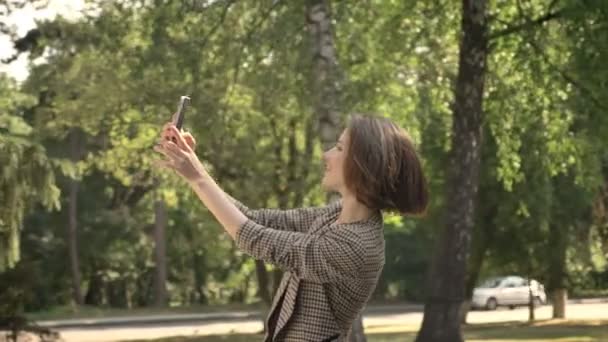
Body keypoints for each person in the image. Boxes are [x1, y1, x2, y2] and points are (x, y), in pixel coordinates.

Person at [154, 114, 429, 341]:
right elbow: (255, 219)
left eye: (340, 148)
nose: (326, 154)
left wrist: (199, 177)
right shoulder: (335, 216)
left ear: (363, 165)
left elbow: (254, 237)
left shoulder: (357, 245)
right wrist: (193, 169)